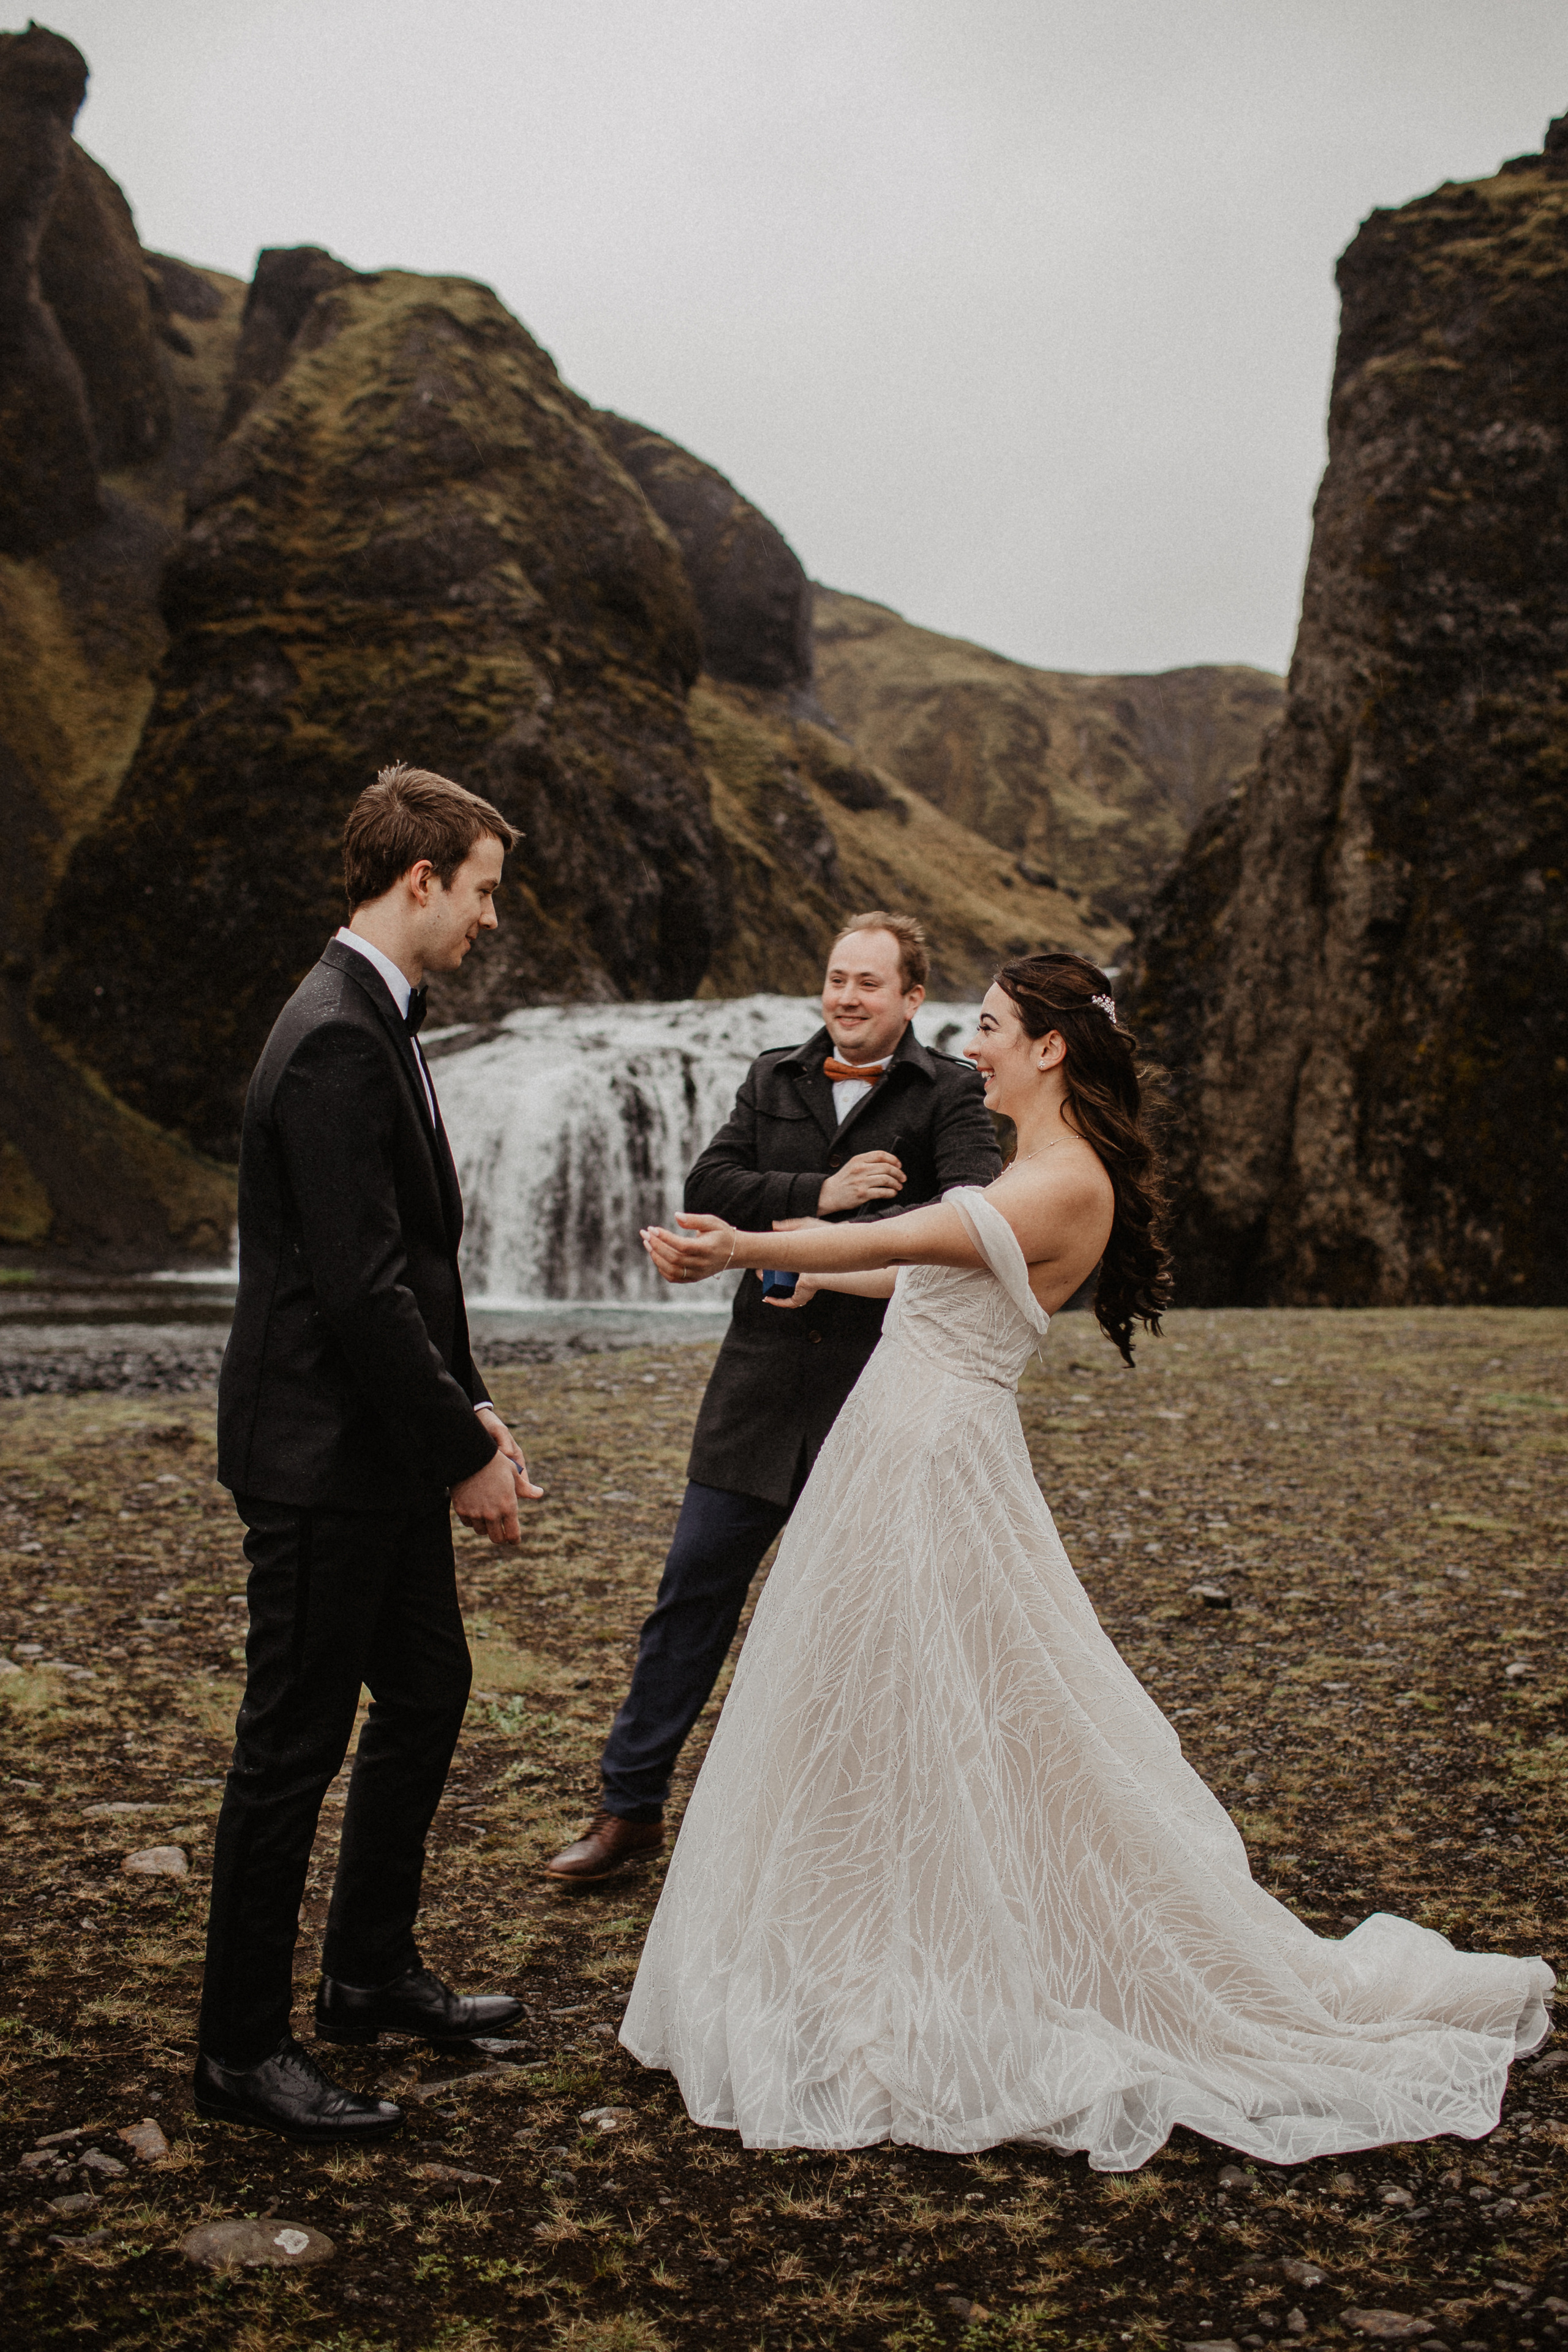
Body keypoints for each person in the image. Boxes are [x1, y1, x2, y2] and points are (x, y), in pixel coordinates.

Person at [625, 951, 1552, 2166]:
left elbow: (930, 1229)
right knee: (882, 1698)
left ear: (1050, 1048)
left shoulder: (1063, 1181)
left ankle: (946, 1948)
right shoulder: (1031, 1169)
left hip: (930, 1461)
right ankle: (863, 1933)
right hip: (897, 1445)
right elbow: (939, 1258)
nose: (971, 1048)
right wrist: (809, 1268)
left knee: (945, 1701)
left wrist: (749, 1247)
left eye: (991, 1027)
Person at [196, 763, 543, 2143]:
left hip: (375, 1445)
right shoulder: (338, 1033)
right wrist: (459, 1451)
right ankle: (239, 2052)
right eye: (482, 891)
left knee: (430, 1687)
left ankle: (366, 1971)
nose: (490, 918)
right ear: (420, 878)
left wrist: (472, 1410)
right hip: (317, 1457)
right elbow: (357, 1290)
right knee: (288, 1749)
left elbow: (410, 1263)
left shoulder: (371, 1014)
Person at [546, 912, 1002, 1883]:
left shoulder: (952, 1091)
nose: (846, 997)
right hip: (754, 1392)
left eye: (869, 983)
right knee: (688, 1599)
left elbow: (976, 1219)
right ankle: (629, 1811)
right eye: (837, 978)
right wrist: (822, 1194)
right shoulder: (773, 1076)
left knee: (876, 1623)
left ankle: (867, 1836)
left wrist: (837, 1243)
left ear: (912, 998)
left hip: (877, 1392)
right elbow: (710, 1184)